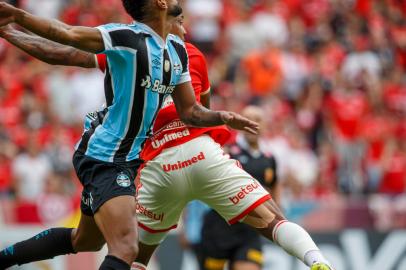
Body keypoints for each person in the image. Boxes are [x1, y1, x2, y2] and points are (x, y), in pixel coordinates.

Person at [0, 12, 334, 270]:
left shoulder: (157, 51)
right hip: (142, 155)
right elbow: (193, 111)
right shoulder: (168, 49)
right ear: (163, 18)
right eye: (180, 18)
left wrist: (11, 28)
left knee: (96, 243)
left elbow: (66, 52)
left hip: (145, 162)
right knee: (124, 247)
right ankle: (316, 258)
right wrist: (13, 20)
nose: (186, 25)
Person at [199, 106, 279, 270]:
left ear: (265, 124)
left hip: (249, 230)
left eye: (257, 119)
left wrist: (278, 223)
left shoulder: (269, 159)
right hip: (219, 227)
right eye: (248, 118)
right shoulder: (226, 151)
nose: (252, 123)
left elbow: (274, 190)